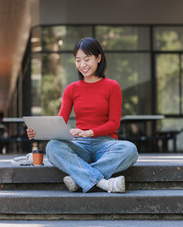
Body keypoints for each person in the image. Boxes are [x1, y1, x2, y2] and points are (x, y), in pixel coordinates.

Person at [26, 37, 138, 193]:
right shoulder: (71, 89)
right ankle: (103, 183)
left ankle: (78, 179)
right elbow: (60, 122)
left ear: (98, 58)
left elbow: (114, 123)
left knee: (130, 150)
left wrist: (89, 132)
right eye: (78, 60)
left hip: (105, 145)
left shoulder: (112, 86)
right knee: (52, 147)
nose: (82, 65)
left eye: (87, 59)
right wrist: (38, 132)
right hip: (80, 145)